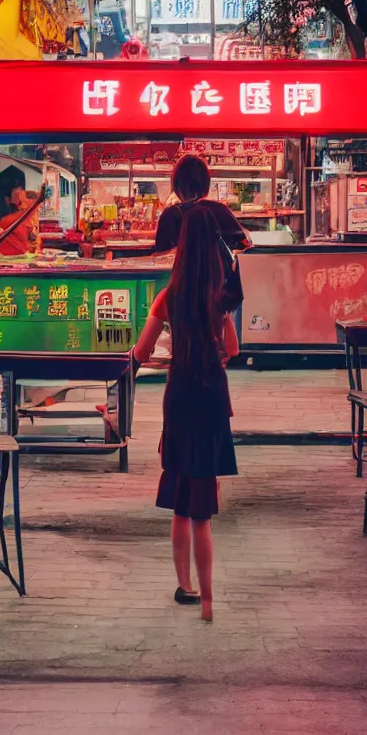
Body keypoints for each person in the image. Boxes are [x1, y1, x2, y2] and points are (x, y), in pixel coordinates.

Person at [133, 203, 239, 622]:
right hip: (211, 401)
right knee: (202, 506)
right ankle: (208, 599)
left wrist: (161, 353)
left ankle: (187, 587)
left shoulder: (168, 297)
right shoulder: (220, 297)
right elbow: (233, 350)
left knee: (180, 498)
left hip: (178, 402)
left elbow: (141, 352)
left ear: (180, 247)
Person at [154, 153, 250, 255]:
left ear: (176, 184)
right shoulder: (220, 210)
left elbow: (160, 253)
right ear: (206, 183)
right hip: (217, 271)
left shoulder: (171, 214)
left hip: (181, 271)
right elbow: (244, 243)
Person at [0, 186, 42, 257]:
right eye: (20, 203)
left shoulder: (32, 218)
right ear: (7, 200)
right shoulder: (6, 221)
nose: (21, 206)